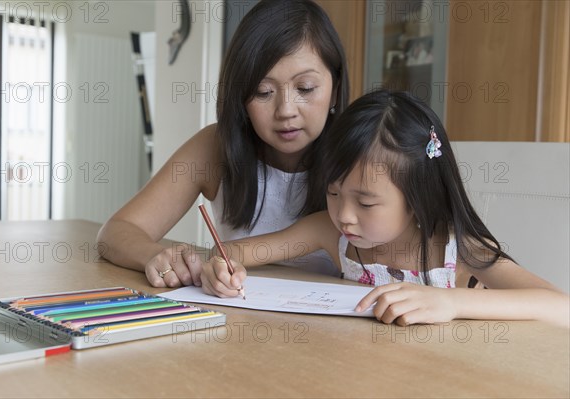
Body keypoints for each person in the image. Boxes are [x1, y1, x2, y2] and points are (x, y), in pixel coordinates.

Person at [201, 89, 570, 327]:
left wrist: (452, 303)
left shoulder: (457, 247)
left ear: (417, 198)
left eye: (365, 202)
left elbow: (559, 307)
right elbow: (238, 252)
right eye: (333, 193)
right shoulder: (330, 233)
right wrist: (222, 266)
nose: (344, 214)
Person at [97, 0, 349, 288]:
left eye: (305, 88)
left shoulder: (360, 156)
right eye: (263, 92)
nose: (286, 110)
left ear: (336, 87)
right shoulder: (215, 147)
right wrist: (157, 257)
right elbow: (116, 232)